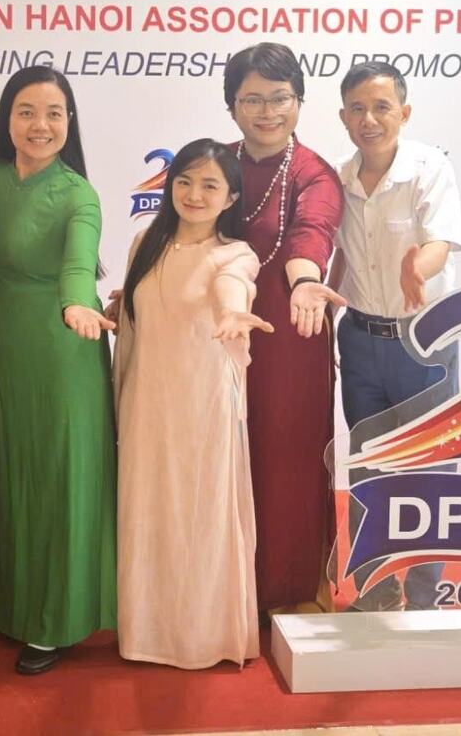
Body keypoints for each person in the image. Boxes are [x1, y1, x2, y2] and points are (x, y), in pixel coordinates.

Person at [0, 67, 117, 676]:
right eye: (26, 111)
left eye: (54, 113)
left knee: (57, 479)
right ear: (7, 118)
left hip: (64, 347)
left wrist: (76, 303)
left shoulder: (79, 194)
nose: (40, 125)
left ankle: (54, 622)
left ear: (69, 122)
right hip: (1, 342)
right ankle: (6, 604)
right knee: (5, 467)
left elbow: (79, 264)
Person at [114, 139, 272, 669]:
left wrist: (231, 314)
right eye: (184, 181)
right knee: (148, 511)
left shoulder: (235, 254)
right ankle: (147, 632)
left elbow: (232, 287)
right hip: (146, 400)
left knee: (202, 513)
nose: (194, 194)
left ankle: (203, 636)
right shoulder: (145, 244)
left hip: (203, 403)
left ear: (231, 197)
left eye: (209, 185)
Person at [331, 60, 461, 611]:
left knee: (429, 468)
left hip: (423, 343)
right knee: (368, 469)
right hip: (360, 340)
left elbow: (440, 242)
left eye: (381, 107)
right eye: (357, 109)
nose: (369, 119)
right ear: (343, 117)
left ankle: (426, 595)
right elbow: (340, 255)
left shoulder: (429, 168)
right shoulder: (339, 178)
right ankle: (378, 590)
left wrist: (418, 269)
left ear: (403, 113)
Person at [222, 43, 345, 613]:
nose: (267, 112)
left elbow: (311, 233)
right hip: (217, 334)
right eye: (252, 99)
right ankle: (218, 592)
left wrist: (304, 282)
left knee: (284, 462)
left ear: (299, 101)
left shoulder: (313, 173)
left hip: (290, 332)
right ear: (232, 104)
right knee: (219, 456)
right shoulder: (214, 165)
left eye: (280, 98)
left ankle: (284, 593)